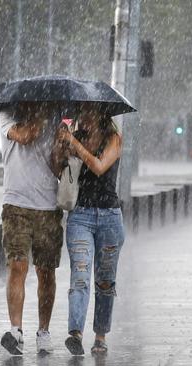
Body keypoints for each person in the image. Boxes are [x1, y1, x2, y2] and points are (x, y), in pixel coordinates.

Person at [51, 107, 125, 356]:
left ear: (101, 113)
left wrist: (75, 143)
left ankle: (100, 336)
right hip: (80, 215)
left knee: (104, 282)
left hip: (109, 217)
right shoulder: (77, 135)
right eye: (82, 112)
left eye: (89, 112)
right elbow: (56, 169)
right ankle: (75, 333)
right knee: (80, 276)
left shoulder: (113, 138)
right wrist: (60, 144)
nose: (84, 116)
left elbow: (99, 166)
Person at [0, 103, 63, 355]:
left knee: (46, 271)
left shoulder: (56, 117)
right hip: (15, 203)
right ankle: (16, 331)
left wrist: (62, 146)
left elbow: (58, 167)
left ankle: (43, 331)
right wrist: (41, 116)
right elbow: (24, 136)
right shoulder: (7, 114)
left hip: (48, 205)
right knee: (17, 264)